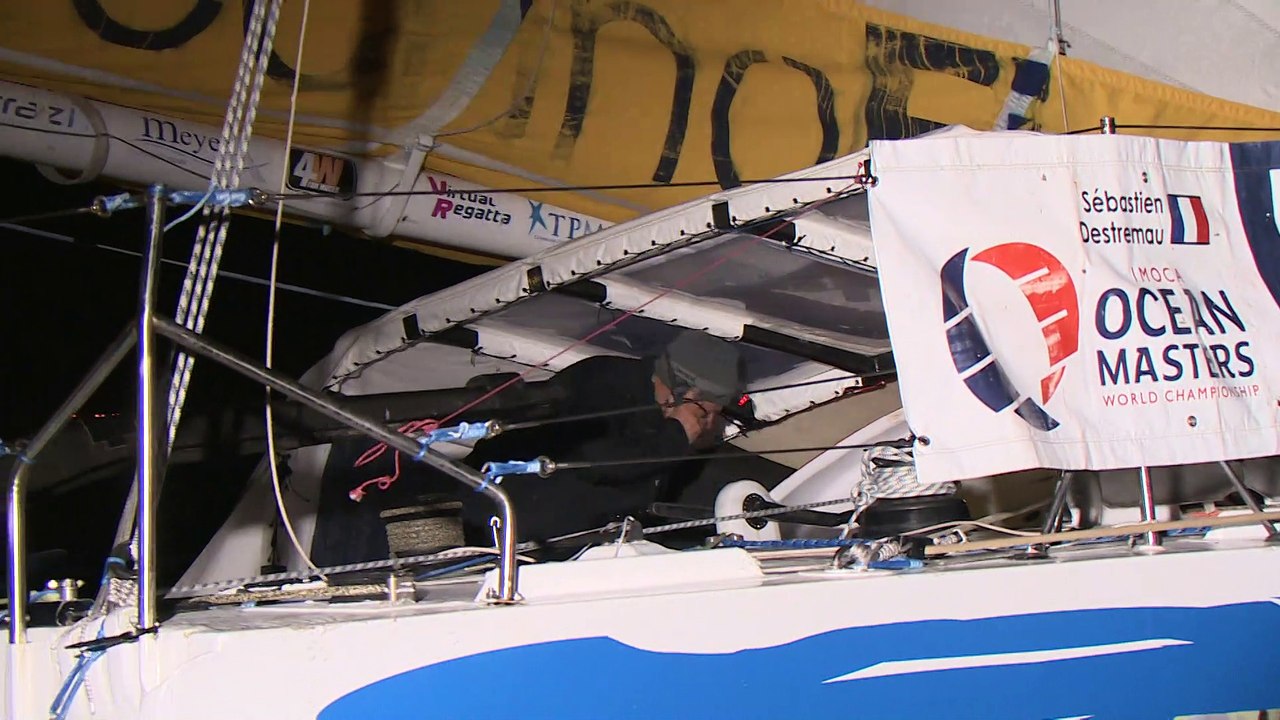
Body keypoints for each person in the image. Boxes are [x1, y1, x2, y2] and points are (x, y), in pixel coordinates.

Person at [457, 330, 748, 544]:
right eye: (703, 412)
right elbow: (597, 462)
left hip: (597, 533)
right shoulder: (602, 387)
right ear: (682, 393)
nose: (708, 423)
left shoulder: (656, 406)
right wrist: (676, 434)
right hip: (518, 530)